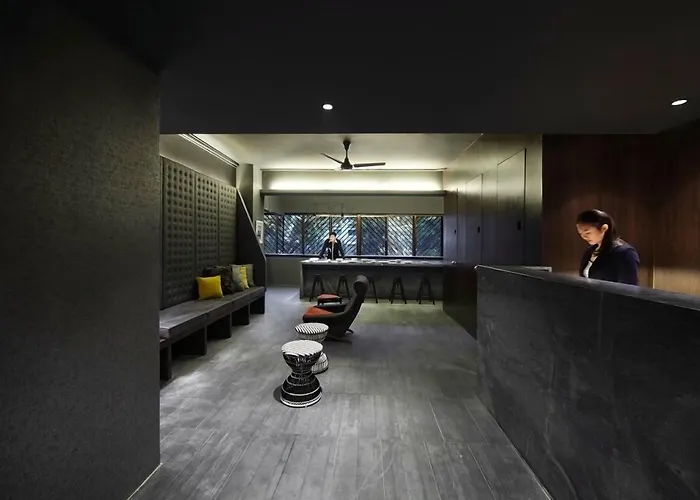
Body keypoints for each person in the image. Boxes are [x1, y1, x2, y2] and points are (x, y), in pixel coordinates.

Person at [576, 209, 639, 285]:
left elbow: (628, 287)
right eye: (581, 234)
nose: (584, 237)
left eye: (587, 233)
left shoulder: (625, 253)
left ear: (604, 228)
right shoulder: (589, 251)